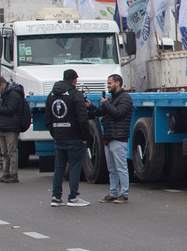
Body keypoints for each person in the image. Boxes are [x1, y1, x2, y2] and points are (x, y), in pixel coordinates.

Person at [46, 69, 91, 207]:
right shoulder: (75, 95)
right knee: (75, 167)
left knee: (59, 167)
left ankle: (56, 197)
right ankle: (73, 197)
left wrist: (56, 133)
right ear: (75, 80)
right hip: (75, 137)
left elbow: (48, 119)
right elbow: (83, 118)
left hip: (59, 137)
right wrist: (84, 137)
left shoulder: (51, 95)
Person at [90, 75, 133, 203]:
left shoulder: (125, 98)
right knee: (112, 169)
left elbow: (118, 113)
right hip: (108, 137)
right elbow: (100, 112)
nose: (108, 86)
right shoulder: (111, 99)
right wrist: (90, 106)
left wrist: (106, 103)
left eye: (110, 83)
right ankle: (113, 193)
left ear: (118, 83)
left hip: (119, 138)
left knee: (121, 168)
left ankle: (124, 194)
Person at [0, 77, 24, 183]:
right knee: (4, 152)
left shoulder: (13, 94)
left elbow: (11, 109)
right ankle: (6, 174)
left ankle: (13, 175)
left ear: (3, 84)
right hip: (3, 125)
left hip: (11, 126)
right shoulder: (5, 94)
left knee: (11, 151)